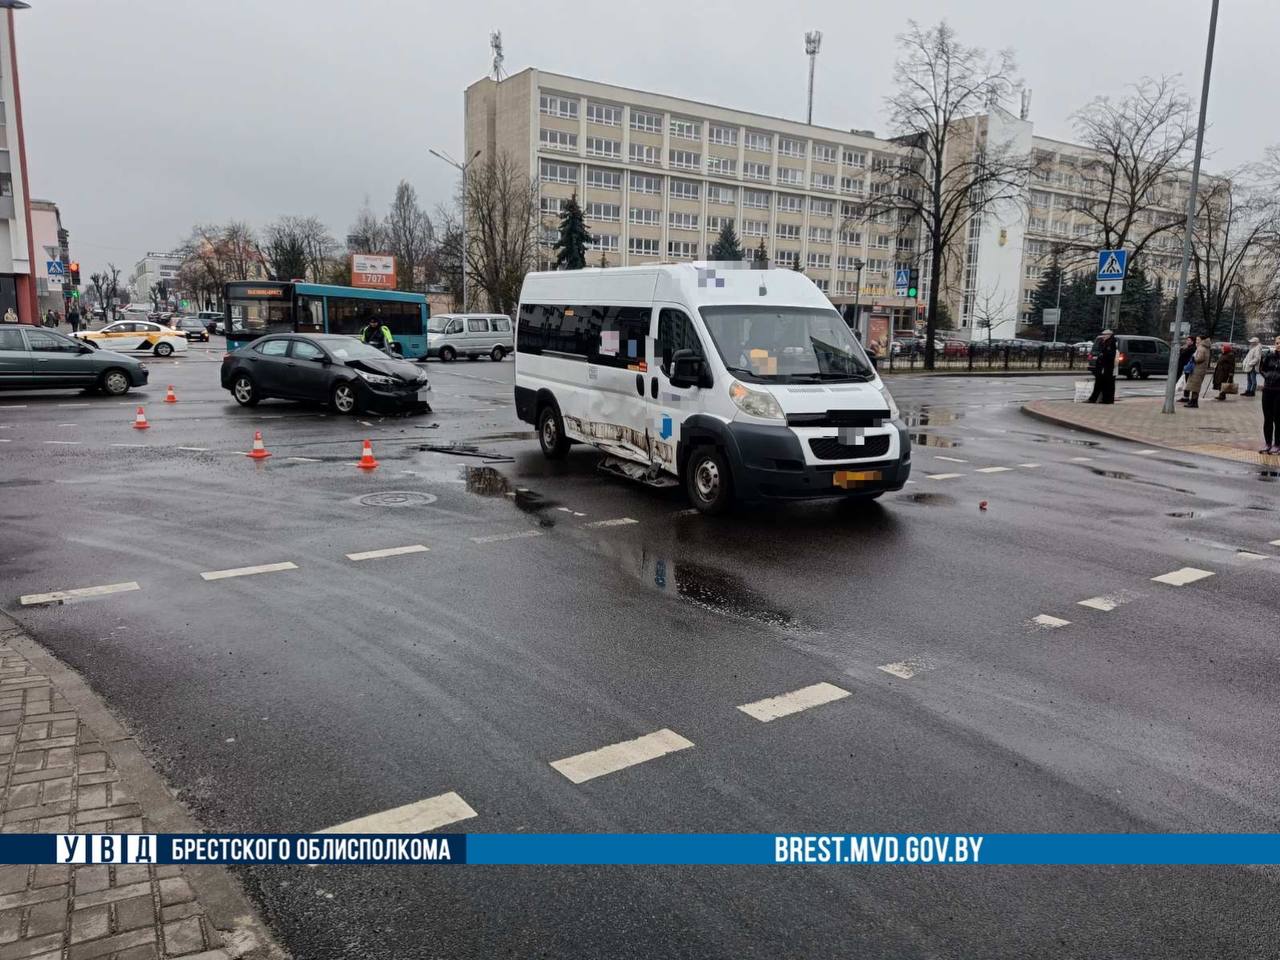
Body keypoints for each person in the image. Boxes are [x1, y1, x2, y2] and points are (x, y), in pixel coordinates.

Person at [1086, 329, 1117, 404]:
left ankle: (1105, 399)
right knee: (1100, 383)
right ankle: (1096, 399)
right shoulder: (1105, 342)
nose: (1103, 336)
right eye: (1103, 334)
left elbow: (1109, 355)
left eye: (1104, 335)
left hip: (1106, 367)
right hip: (1102, 366)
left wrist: (1102, 356)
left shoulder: (1111, 343)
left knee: (1104, 383)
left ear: (1109, 335)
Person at [1261, 337, 1280, 455]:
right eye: (1277, 343)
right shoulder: (1270, 356)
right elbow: (1262, 369)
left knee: (1277, 419)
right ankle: (1268, 443)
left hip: (1279, 391)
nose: (1278, 345)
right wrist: (1267, 376)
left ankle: (1277, 444)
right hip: (1267, 390)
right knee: (1267, 418)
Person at [1184, 336, 1210, 409]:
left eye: (1198, 339)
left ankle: (1194, 401)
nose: (1196, 341)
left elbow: (1200, 358)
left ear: (1202, 340)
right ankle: (1193, 401)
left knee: (1195, 386)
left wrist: (1193, 358)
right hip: (1199, 369)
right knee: (1194, 386)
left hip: (1198, 369)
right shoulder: (1204, 347)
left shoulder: (1201, 348)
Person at [1176, 336, 1196, 403]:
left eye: (1189, 340)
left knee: (1186, 382)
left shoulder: (1192, 348)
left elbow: (1183, 354)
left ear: (1192, 342)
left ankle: (1186, 397)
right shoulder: (1188, 348)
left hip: (1187, 367)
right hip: (1184, 366)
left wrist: (1182, 349)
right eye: (1187, 340)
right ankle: (1185, 396)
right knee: (1185, 382)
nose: (1187, 341)